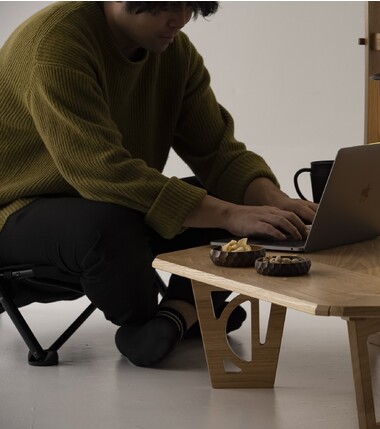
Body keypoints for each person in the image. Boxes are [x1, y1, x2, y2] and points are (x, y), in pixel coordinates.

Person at [0, 1, 317, 367]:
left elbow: (217, 151)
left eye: (189, 5)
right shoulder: (56, 45)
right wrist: (229, 214)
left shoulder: (174, 53)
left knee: (235, 206)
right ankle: (186, 312)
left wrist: (276, 202)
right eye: (166, 5)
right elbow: (100, 171)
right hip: (18, 209)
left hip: (116, 203)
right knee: (111, 227)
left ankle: (175, 317)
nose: (180, 19)